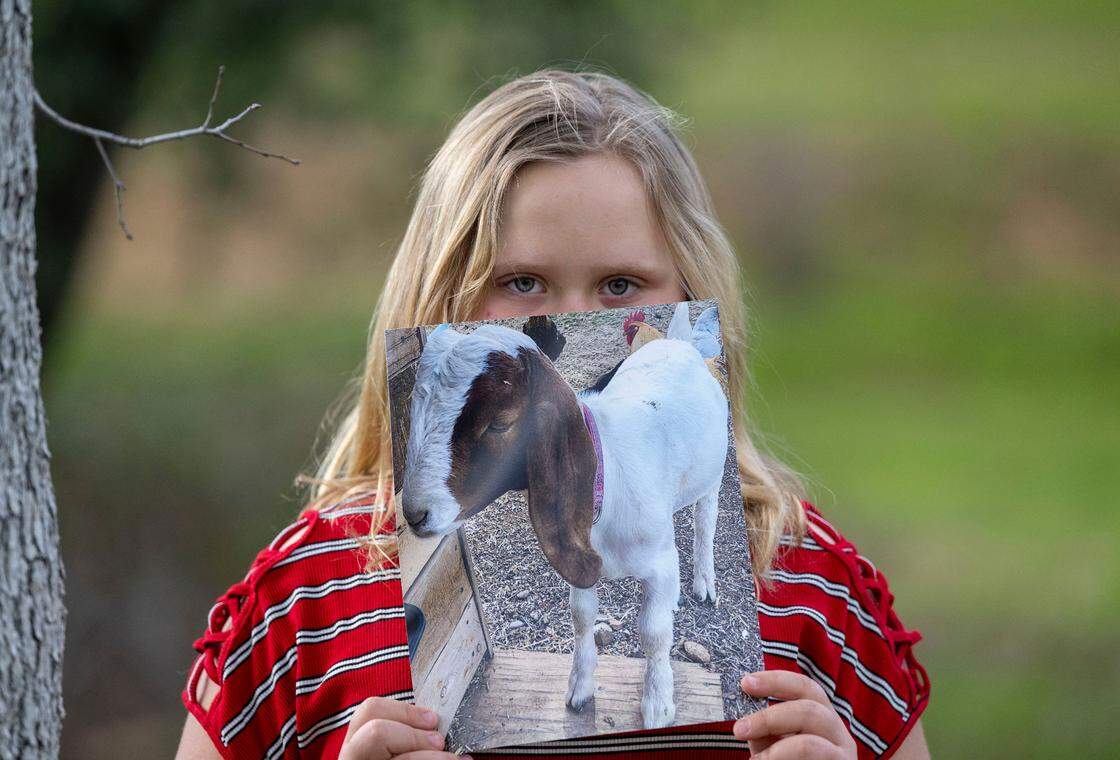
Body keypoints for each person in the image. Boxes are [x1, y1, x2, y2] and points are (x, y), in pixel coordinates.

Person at [175, 69, 930, 760]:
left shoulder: (809, 586)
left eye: (621, 284)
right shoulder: (309, 598)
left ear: (692, 293)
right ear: (439, 300)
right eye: (524, 281)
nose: (572, 327)